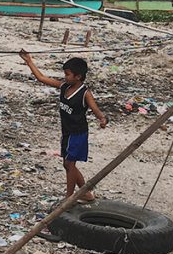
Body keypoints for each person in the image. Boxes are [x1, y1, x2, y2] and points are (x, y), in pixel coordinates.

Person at [19, 51, 107, 201]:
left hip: (78, 133)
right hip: (67, 132)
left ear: (78, 76)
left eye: (67, 74)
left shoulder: (85, 93)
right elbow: (42, 78)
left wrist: (102, 119)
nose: (65, 77)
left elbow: (95, 109)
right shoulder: (64, 87)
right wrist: (29, 61)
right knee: (67, 165)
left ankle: (69, 197)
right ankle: (85, 193)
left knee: (69, 164)